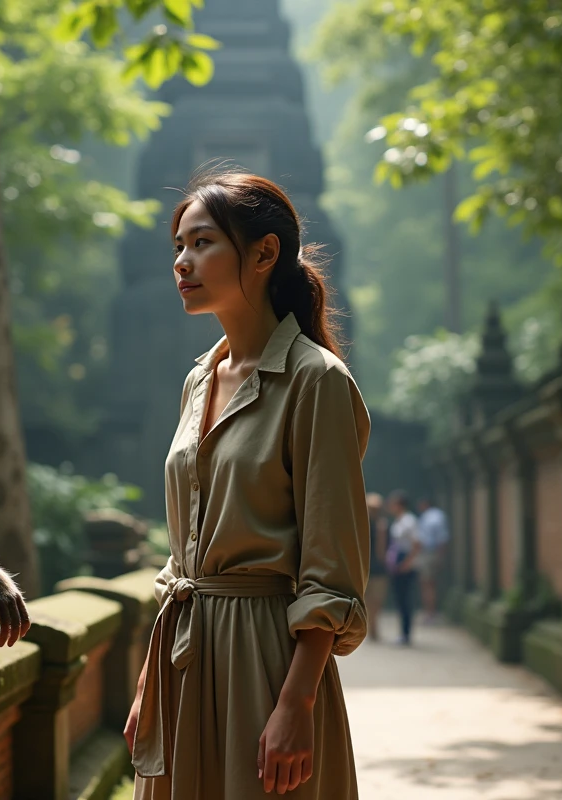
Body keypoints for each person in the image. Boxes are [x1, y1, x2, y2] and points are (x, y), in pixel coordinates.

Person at [125, 168, 370, 800]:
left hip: (265, 658)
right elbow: (182, 554)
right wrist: (151, 682)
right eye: (179, 245)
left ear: (264, 253)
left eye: (202, 242)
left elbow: (331, 564)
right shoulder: (197, 381)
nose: (183, 261)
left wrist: (296, 705)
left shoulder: (317, 382)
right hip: (185, 655)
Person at [385, 490, 422, 645]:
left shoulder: (409, 520)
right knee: (399, 599)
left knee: (405, 599)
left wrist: (407, 563)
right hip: (397, 562)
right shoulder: (398, 520)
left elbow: (417, 544)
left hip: (405, 564)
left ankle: (406, 634)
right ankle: (403, 632)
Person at [416, 496, 450, 623]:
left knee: (428, 584)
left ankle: (431, 613)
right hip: (429, 552)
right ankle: (430, 612)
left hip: (430, 553)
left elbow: (442, 538)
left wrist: (440, 556)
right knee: (428, 584)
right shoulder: (433, 516)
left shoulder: (433, 516)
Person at [365, 492, 390, 641]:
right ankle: (373, 628)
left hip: (365, 567)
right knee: (377, 599)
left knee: (368, 599)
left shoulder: (360, 524)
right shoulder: (382, 525)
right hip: (378, 568)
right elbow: (381, 550)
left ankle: (371, 627)